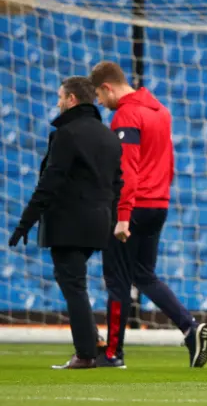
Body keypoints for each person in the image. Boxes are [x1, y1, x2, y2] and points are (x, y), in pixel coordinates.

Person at [89, 61, 207, 368]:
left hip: (133, 206)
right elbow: (168, 162)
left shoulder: (126, 115)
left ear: (107, 87)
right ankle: (190, 327)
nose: (101, 105)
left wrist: (123, 214)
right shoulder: (161, 110)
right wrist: (161, 195)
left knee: (117, 279)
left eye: (99, 98)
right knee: (144, 274)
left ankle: (113, 353)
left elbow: (126, 169)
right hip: (158, 204)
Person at [9, 77, 123, 369]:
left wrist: (25, 222)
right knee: (75, 281)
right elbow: (117, 184)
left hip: (69, 223)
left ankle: (85, 353)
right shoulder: (108, 136)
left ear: (72, 99)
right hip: (99, 222)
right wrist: (111, 218)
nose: (58, 102)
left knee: (72, 283)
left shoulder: (67, 134)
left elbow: (50, 181)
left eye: (61, 97)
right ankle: (93, 341)